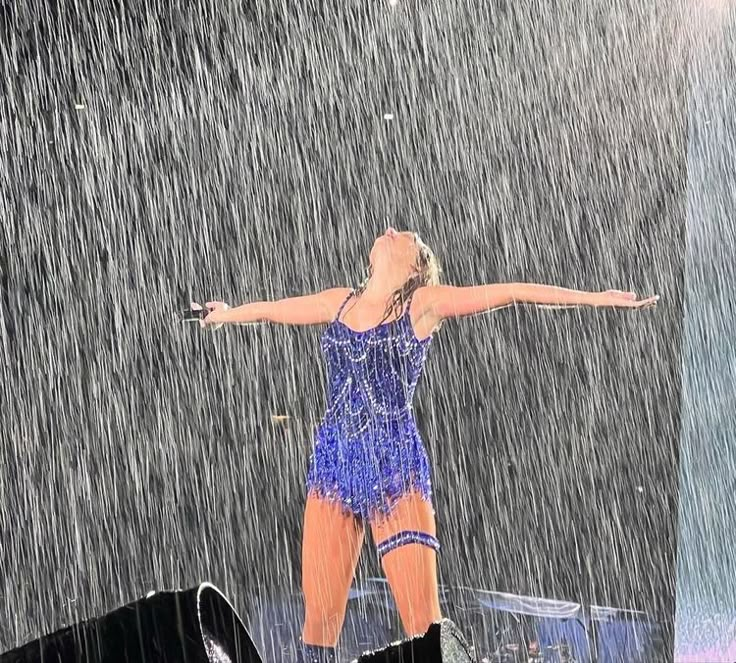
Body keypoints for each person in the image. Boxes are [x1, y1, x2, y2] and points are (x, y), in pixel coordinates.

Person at [197, 227, 658, 662]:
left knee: (423, 624)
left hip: (394, 464)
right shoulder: (339, 302)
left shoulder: (422, 303)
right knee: (318, 624)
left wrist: (597, 299)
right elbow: (274, 309)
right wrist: (226, 313)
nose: (392, 230)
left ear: (416, 266)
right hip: (334, 463)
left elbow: (513, 291)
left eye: (408, 236)